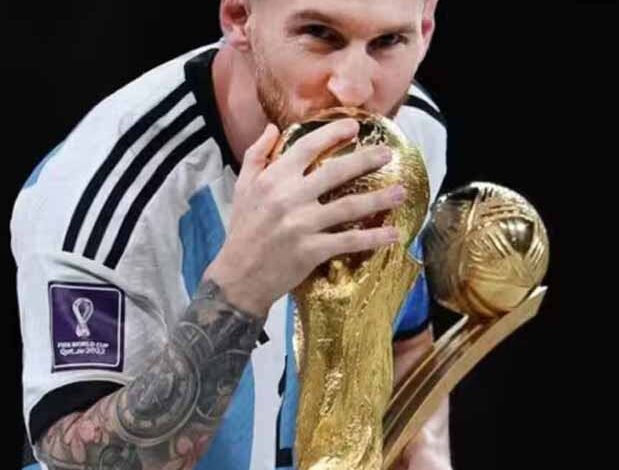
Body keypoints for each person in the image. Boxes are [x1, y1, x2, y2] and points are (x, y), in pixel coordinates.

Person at [12, 0, 451, 468]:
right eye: (320, 34)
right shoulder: (104, 196)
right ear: (239, 16)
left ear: (425, 29)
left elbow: (404, 339)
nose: (355, 90)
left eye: (388, 41)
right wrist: (242, 289)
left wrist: (425, 450)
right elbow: (74, 460)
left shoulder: (409, 133)